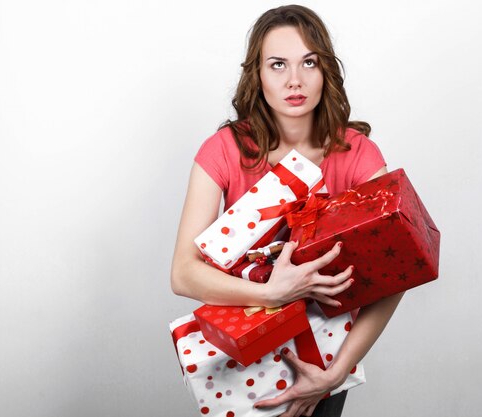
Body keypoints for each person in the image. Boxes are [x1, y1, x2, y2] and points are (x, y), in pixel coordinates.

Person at [171, 5, 404, 417]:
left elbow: (398, 269)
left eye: (308, 62)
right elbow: (183, 273)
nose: (294, 80)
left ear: (325, 70)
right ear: (257, 75)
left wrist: (335, 374)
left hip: (324, 357)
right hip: (243, 354)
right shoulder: (225, 149)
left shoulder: (358, 154)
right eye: (277, 64)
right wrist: (270, 293)